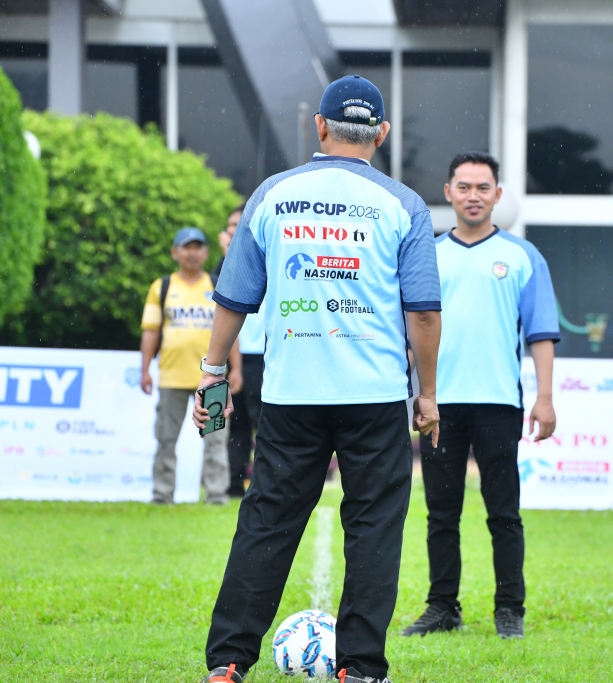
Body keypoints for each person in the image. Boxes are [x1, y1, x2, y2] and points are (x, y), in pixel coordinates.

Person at [193, 75, 442, 683]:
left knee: (266, 524)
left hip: (291, 395)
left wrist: (213, 373)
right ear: (381, 134)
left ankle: (227, 662)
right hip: (374, 396)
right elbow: (425, 311)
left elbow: (233, 297)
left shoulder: (271, 196)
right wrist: (428, 393)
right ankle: (359, 669)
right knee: (374, 530)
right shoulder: (404, 205)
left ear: (320, 127)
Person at [401, 151, 559, 640]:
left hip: (497, 403)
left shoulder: (522, 257)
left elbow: (541, 334)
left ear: (498, 195)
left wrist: (545, 397)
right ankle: (442, 607)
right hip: (438, 403)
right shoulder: (426, 253)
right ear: (448, 193)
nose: (473, 196)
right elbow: (406, 330)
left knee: (503, 513)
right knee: (441, 513)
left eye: (482, 187)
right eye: (464, 187)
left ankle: (509, 609)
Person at [139, 226, 242, 505]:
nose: (193, 252)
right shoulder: (162, 287)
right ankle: (162, 495)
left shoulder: (217, 284)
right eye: (187, 247)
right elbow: (151, 330)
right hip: (171, 376)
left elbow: (230, 330)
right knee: (166, 438)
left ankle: (217, 495)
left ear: (206, 252)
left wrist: (237, 369)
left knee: (215, 439)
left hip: (213, 376)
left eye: (198, 247)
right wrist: (145, 368)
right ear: (175, 252)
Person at [211, 205, 265, 498]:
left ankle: (263, 486)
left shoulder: (264, 256)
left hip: (262, 357)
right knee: (233, 424)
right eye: (230, 226)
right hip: (227, 358)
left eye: (238, 225)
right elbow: (219, 296)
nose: (233, 231)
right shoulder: (221, 268)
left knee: (265, 424)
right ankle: (230, 485)